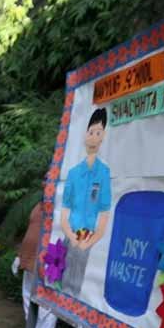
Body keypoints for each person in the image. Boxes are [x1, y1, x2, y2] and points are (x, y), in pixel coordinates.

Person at [60, 108, 111, 296]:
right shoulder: (73, 173)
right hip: (70, 234)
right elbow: (65, 210)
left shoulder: (104, 173)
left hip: (87, 236)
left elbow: (104, 214)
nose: (93, 138)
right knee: (62, 278)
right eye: (91, 132)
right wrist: (71, 235)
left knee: (76, 284)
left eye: (98, 133)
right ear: (85, 135)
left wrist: (90, 240)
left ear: (103, 137)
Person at [9, 203, 57, 328]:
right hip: (30, 261)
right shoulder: (38, 205)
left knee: (46, 303)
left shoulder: (61, 205)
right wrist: (20, 255)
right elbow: (31, 231)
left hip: (48, 262)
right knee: (28, 298)